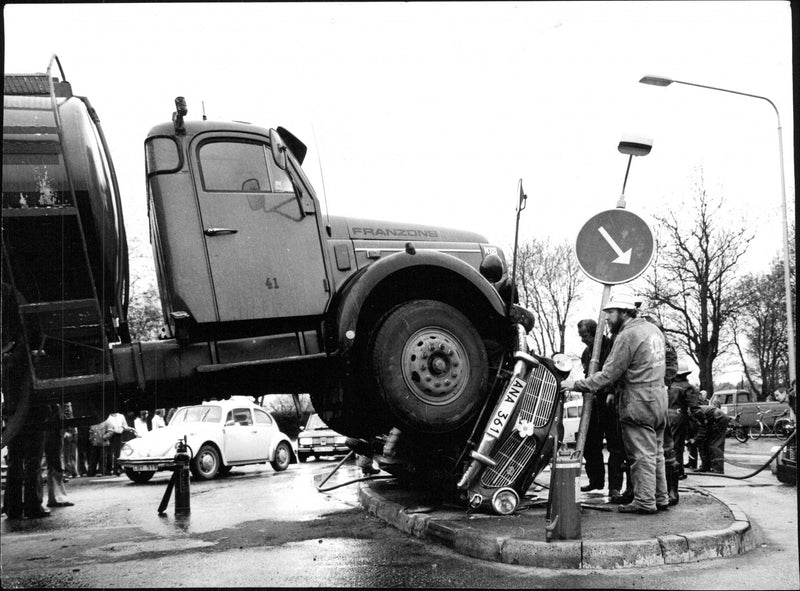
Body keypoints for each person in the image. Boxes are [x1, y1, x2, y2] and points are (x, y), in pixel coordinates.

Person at [562, 292, 669, 515]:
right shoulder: (653, 330)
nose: (607, 318)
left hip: (638, 400)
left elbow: (608, 374)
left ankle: (645, 502)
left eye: (610, 313)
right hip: (659, 398)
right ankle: (661, 497)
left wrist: (576, 385)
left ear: (624, 312)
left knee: (641, 455)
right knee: (656, 452)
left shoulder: (627, 335)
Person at [2, 282, 49, 519]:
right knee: (32, 457)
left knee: (16, 457)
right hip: (32, 407)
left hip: (13, 409)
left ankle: (12, 507)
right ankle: (32, 505)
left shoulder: (6, 364)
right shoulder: (13, 293)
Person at [575, 318, 628, 501]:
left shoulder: (612, 346)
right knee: (590, 443)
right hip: (593, 402)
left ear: (595, 333)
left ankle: (615, 487)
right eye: (580, 336)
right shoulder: (585, 353)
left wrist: (612, 391)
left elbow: (616, 372)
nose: (582, 339)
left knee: (615, 446)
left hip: (609, 401)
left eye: (585, 335)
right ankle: (596, 480)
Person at [642, 313, 680, 504]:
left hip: (661, 396)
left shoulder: (665, 344)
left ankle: (672, 490)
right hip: (647, 396)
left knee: (666, 446)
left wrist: (661, 383)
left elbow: (672, 368)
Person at [44, 403, 74, 508]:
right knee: (55, 463)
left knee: (55, 463)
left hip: (55, 431)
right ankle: (56, 497)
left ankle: (57, 497)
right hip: (53, 431)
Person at [694, 405, 729, 473]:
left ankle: (718, 469)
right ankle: (705, 466)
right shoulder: (694, 411)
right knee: (705, 443)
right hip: (715, 418)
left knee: (715, 444)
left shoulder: (694, 412)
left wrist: (696, 439)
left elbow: (702, 427)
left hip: (718, 418)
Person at [106, 411, 136, 475]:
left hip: (118, 435)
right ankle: (109, 469)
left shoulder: (121, 416)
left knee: (117, 453)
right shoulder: (108, 417)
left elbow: (125, 426)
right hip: (110, 435)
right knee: (110, 452)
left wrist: (128, 428)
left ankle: (116, 469)